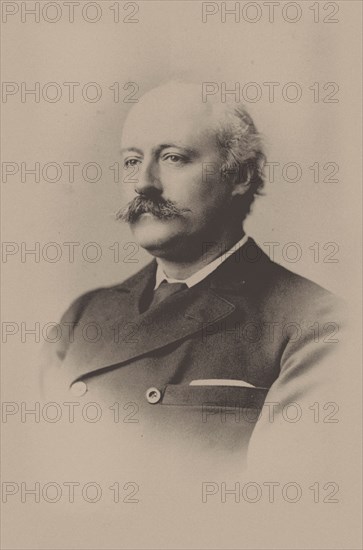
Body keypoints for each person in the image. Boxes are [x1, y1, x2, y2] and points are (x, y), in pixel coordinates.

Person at [40, 82, 344, 471]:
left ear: (240, 176)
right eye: (132, 160)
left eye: (173, 157)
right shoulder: (83, 316)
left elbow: (282, 509)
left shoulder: (316, 325)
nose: (143, 183)